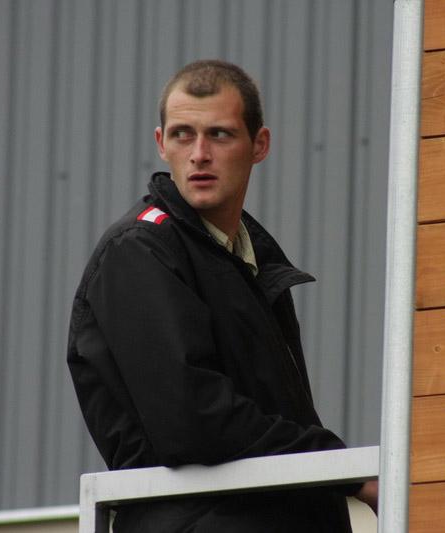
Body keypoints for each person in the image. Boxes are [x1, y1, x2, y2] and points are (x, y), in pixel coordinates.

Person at [67, 59, 377, 533]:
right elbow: (193, 420)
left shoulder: (248, 259)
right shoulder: (139, 250)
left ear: (259, 145)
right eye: (182, 135)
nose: (199, 154)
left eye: (219, 134)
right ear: (161, 144)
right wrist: (345, 469)